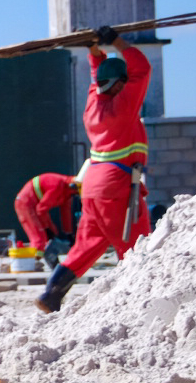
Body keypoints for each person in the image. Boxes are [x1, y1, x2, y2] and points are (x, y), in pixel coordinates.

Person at [37, 28, 151, 313]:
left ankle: (51, 294)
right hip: (117, 184)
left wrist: (94, 51)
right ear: (119, 85)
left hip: (92, 185)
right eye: (124, 83)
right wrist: (118, 43)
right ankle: (139, 300)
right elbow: (143, 69)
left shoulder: (93, 103)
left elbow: (96, 76)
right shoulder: (123, 104)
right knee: (137, 245)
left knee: (88, 245)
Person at [13, 171, 78, 268]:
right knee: (39, 237)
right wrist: (47, 228)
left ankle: (36, 261)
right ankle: (31, 264)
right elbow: (41, 209)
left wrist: (69, 234)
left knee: (50, 233)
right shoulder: (57, 186)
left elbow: (66, 213)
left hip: (36, 206)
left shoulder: (68, 192)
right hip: (25, 203)